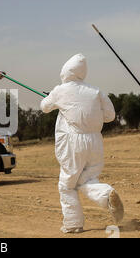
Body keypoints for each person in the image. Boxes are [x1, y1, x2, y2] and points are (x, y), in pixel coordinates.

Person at [40, 53, 124, 234]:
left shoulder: (60, 90)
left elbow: (44, 107)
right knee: (87, 179)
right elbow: (110, 116)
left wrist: (54, 98)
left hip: (74, 142)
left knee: (67, 184)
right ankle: (105, 193)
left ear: (65, 71)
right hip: (95, 141)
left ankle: (73, 223)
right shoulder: (96, 91)